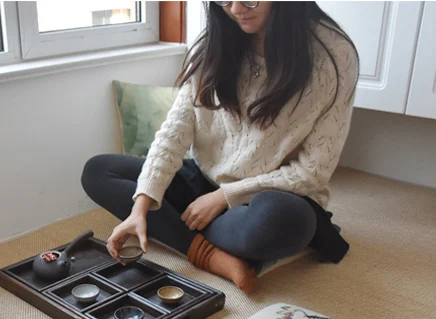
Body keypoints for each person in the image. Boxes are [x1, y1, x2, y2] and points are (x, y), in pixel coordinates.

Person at [82, 1, 358, 294]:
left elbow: (311, 172)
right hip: (203, 180)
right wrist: (140, 208)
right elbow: (175, 131)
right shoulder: (218, 38)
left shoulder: (333, 54)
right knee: (98, 171)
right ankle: (209, 255)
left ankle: (180, 228)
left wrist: (225, 197)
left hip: (268, 196)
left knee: (283, 222)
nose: (236, 9)